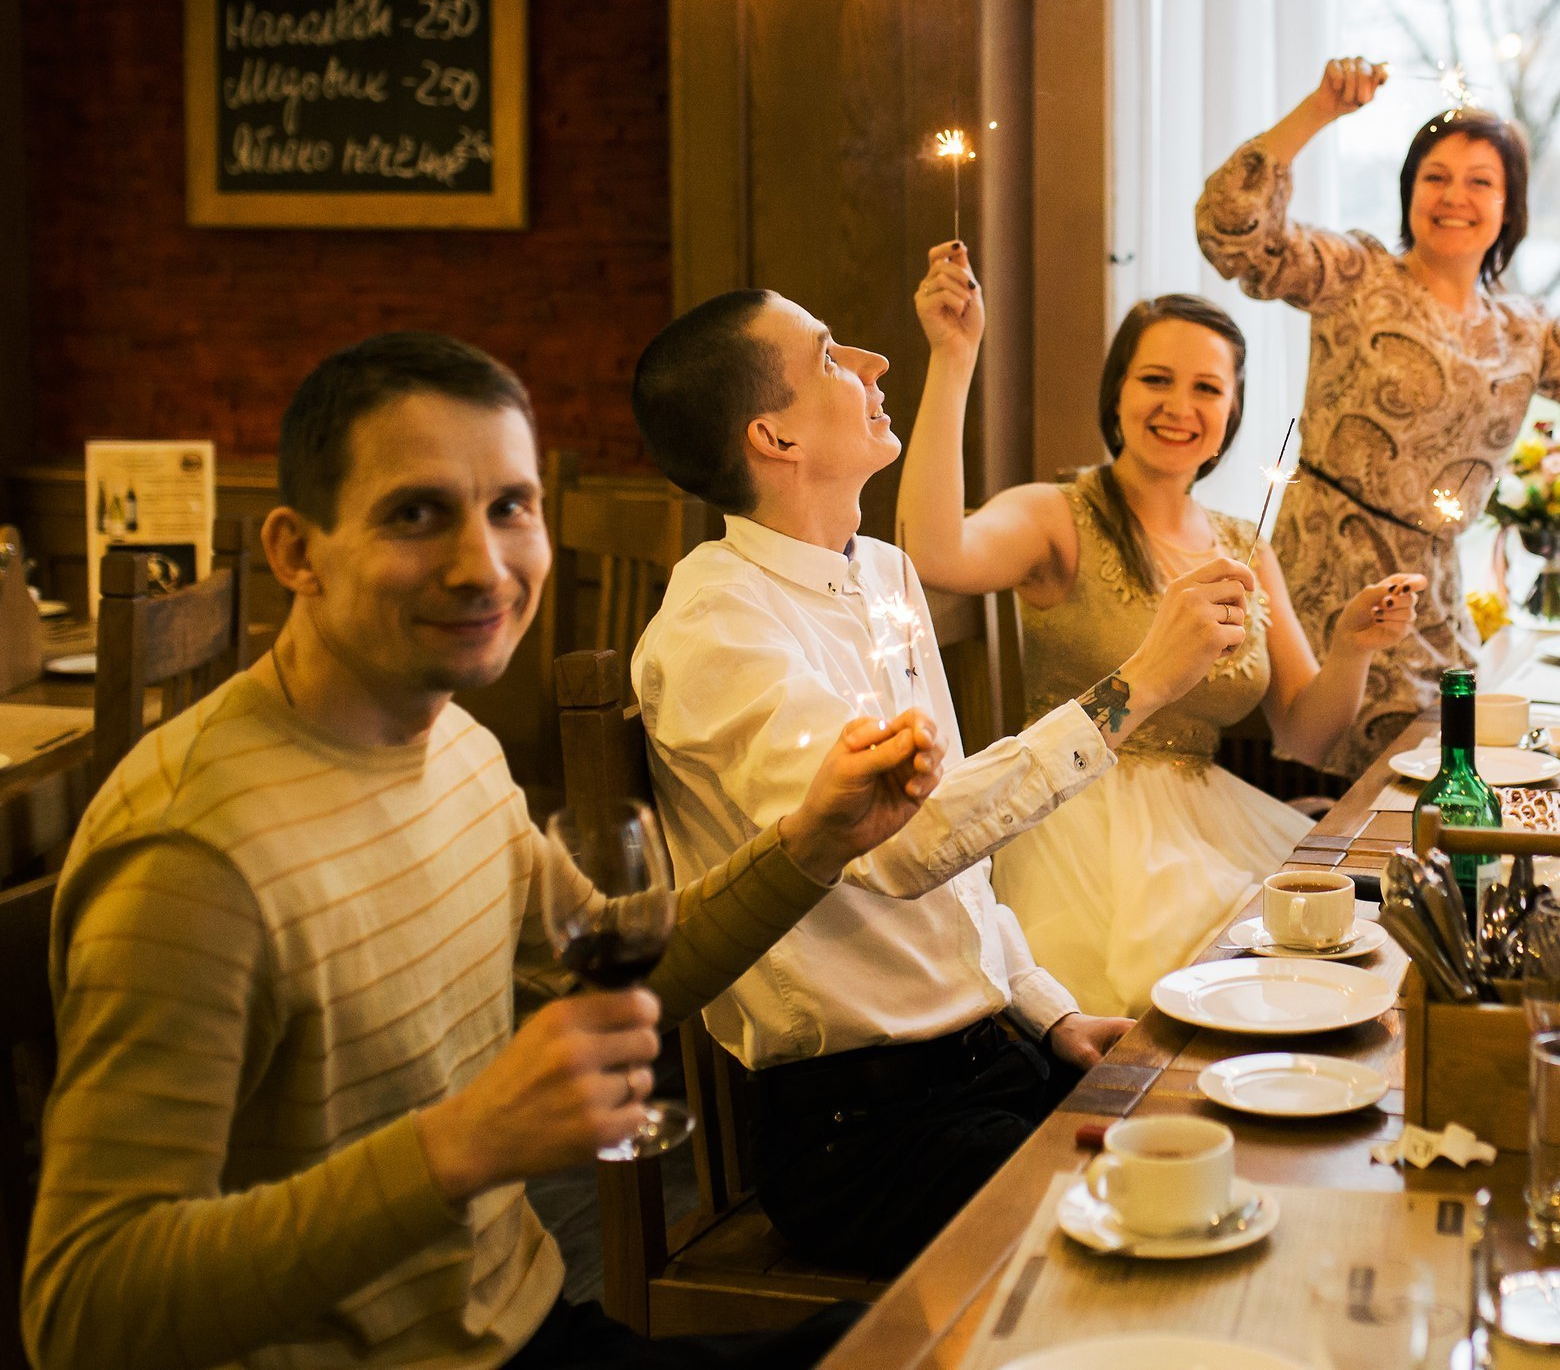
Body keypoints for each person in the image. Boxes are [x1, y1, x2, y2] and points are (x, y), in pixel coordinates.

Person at [25, 333, 927, 1370]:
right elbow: (84, 1307)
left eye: (510, 506)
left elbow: (631, 965)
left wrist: (812, 841)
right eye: (416, 514)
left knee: (923, 1338)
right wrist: (462, 1146)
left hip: (531, 1324)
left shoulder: (453, 740)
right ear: (294, 550)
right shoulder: (191, 856)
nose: (481, 563)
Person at [629, 289, 1251, 1274]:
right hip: (861, 1132)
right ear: (772, 433)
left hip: (991, 1059)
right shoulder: (718, 627)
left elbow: (960, 858)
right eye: (835, 354)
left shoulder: (882, 573)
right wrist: (1134, 688)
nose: (875, 362)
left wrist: (1050, 1010)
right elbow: (901, 843)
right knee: (1161, 1239)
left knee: (1230, 1142)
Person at [898, 250, 1422, 1015]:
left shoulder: (1247, 545)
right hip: (1077, 821)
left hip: (1210, 824)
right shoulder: (1059, 514)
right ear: (1116, 397)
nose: (1179, 405)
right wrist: (954, 356)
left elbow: (1305, 739)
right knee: (1233, 980)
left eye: (1206, 388)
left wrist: (1351, 647)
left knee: (1344, 954)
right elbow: (932, 553)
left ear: (1229, 419)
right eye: (1155, 380)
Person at [1196, 57, 1560, 773]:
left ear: (1509, 208)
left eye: (1480, 181)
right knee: (1333, 795)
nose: (1455, 196)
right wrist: (1319, 110)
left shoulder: (1525, 329)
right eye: (1436, 177)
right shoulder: (1357, 276)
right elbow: (1231, 233)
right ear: (1409, 195)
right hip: (1324, 582)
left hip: (1434, 602)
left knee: (1442, 784)